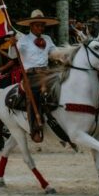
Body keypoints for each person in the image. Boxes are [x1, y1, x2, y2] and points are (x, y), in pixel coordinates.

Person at [8, 9, 59, 141]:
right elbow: (12, 55)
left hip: (47, 72)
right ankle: (34, 127)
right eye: (37, 25)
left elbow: (55, 53)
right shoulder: (23, 40)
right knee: (33, 95)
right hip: (31, 74)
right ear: (31, 26)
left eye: (42, 25)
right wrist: (12, 45)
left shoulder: (47, 39)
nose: (41, 28)